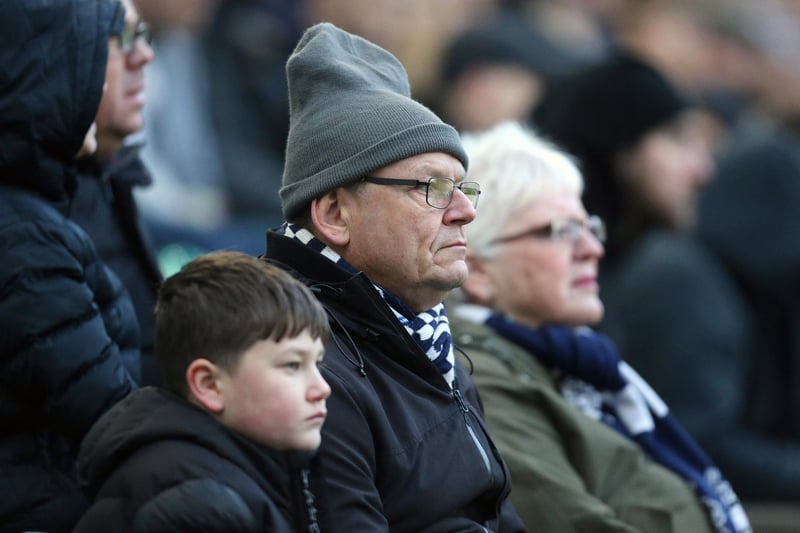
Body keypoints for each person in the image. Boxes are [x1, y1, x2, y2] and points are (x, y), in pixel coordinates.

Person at [263, 22, 526, 532]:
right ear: (335, 214)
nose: (464, 213)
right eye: (431, 187)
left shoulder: (425, 334)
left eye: (463, 188)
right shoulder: (301, 363)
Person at [447, 121, 751, 533]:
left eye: (589, 227)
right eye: (562, 232)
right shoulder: (479, 377)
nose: (593, 249)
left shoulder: (580, 362)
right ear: (479, 271)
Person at [0, 0, 141, 530]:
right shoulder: (24, 237)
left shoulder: (35, 214)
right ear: (44, 73)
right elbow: (117, 424)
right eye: (90, 58)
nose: (141, 58)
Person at [75, 251, 331, 531]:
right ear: (209, 385)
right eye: (293, 365)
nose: (322, 388)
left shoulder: (259, 466)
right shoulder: (198, 505)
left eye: (316, 363)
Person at [71, 0, 163, 386]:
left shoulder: (109, 176)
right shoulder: (40, 211)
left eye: (141, 35)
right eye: (121, 38)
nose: (144, 55)